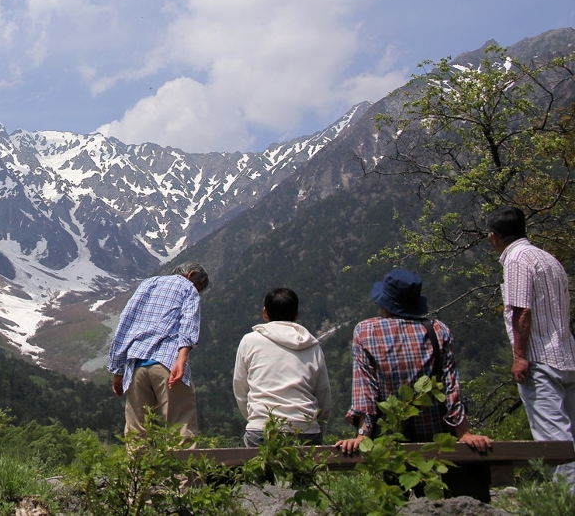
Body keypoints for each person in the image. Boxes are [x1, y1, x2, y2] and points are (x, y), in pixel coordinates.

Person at [336, 269, 492, 498]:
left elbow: (365, 391)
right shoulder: (437, 330)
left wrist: (362, 435)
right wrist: (464, 433)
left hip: (391, 438)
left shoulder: (365, 331)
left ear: (385, 302)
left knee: (393, 500)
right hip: (436, 439)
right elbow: (451, 386)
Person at [487, 206, 575, 487]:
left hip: (540, 361)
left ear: (493, 237)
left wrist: (520, 357)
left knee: (555, 444)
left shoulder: (515, 260)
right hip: (567, 356)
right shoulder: (548, 259)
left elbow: (521, 311)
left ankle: (567, 501)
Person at [108, 262, 209, 438]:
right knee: (180, 426)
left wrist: (118, 371)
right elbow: (188, 325)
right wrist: (182, 359)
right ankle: (182, 464)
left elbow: (125, 323)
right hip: (167, 363)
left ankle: (139, 465)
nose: (197, 290)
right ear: (191, 275)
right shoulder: (188, 288)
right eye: (199, 287)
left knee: (137, 432)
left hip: (136, 366)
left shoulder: (149, 283)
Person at [233, 288, 331, 447]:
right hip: (306, 430)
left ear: (265, 313)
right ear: (296, 314)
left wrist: (256, 418)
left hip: (262, 430)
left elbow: (240, 387)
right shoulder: (312, 346)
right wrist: (319, 425)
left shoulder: (249, 341)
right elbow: (323, 392)